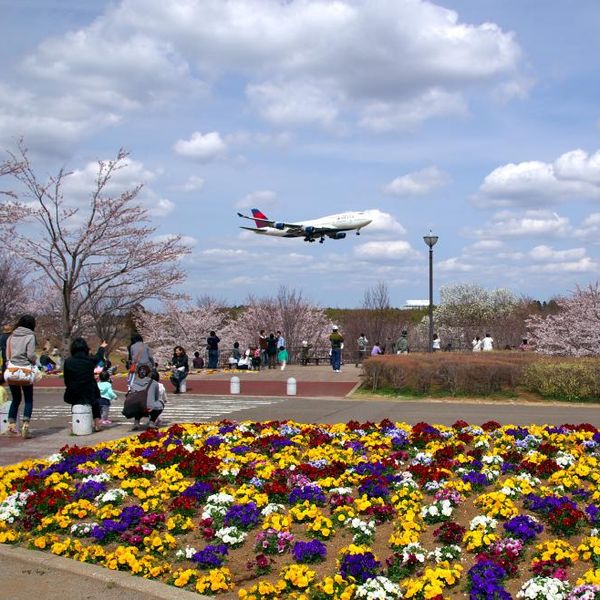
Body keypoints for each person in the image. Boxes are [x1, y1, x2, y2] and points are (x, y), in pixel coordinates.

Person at [63, 337, 108, 433]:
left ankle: (75, 423)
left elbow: (66, 380)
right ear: (85, 348)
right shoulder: (89, 360)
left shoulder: (68, 362)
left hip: (73, 393)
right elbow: (99, 356)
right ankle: (97, 423)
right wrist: (102, 347)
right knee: (95, 398)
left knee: (75, 397)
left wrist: (70, 386)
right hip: (89, 393)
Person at [4, 315, 37, 438]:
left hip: (12, 371)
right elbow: (31, 355)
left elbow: (8, 355)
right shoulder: (30, 336)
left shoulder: (11, 337)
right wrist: (34, 362)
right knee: (28, 399)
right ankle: (25, 426)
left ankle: (11, 426)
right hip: (25, 372)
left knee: (16, 399)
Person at [128, 364, 164, 431]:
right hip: (149, 409)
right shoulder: (156, 384)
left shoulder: (134, 383)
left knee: (136, 404)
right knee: (160, 403)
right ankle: (151, 422)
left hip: (137, 409)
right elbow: (156, 398)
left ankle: (136, 422)